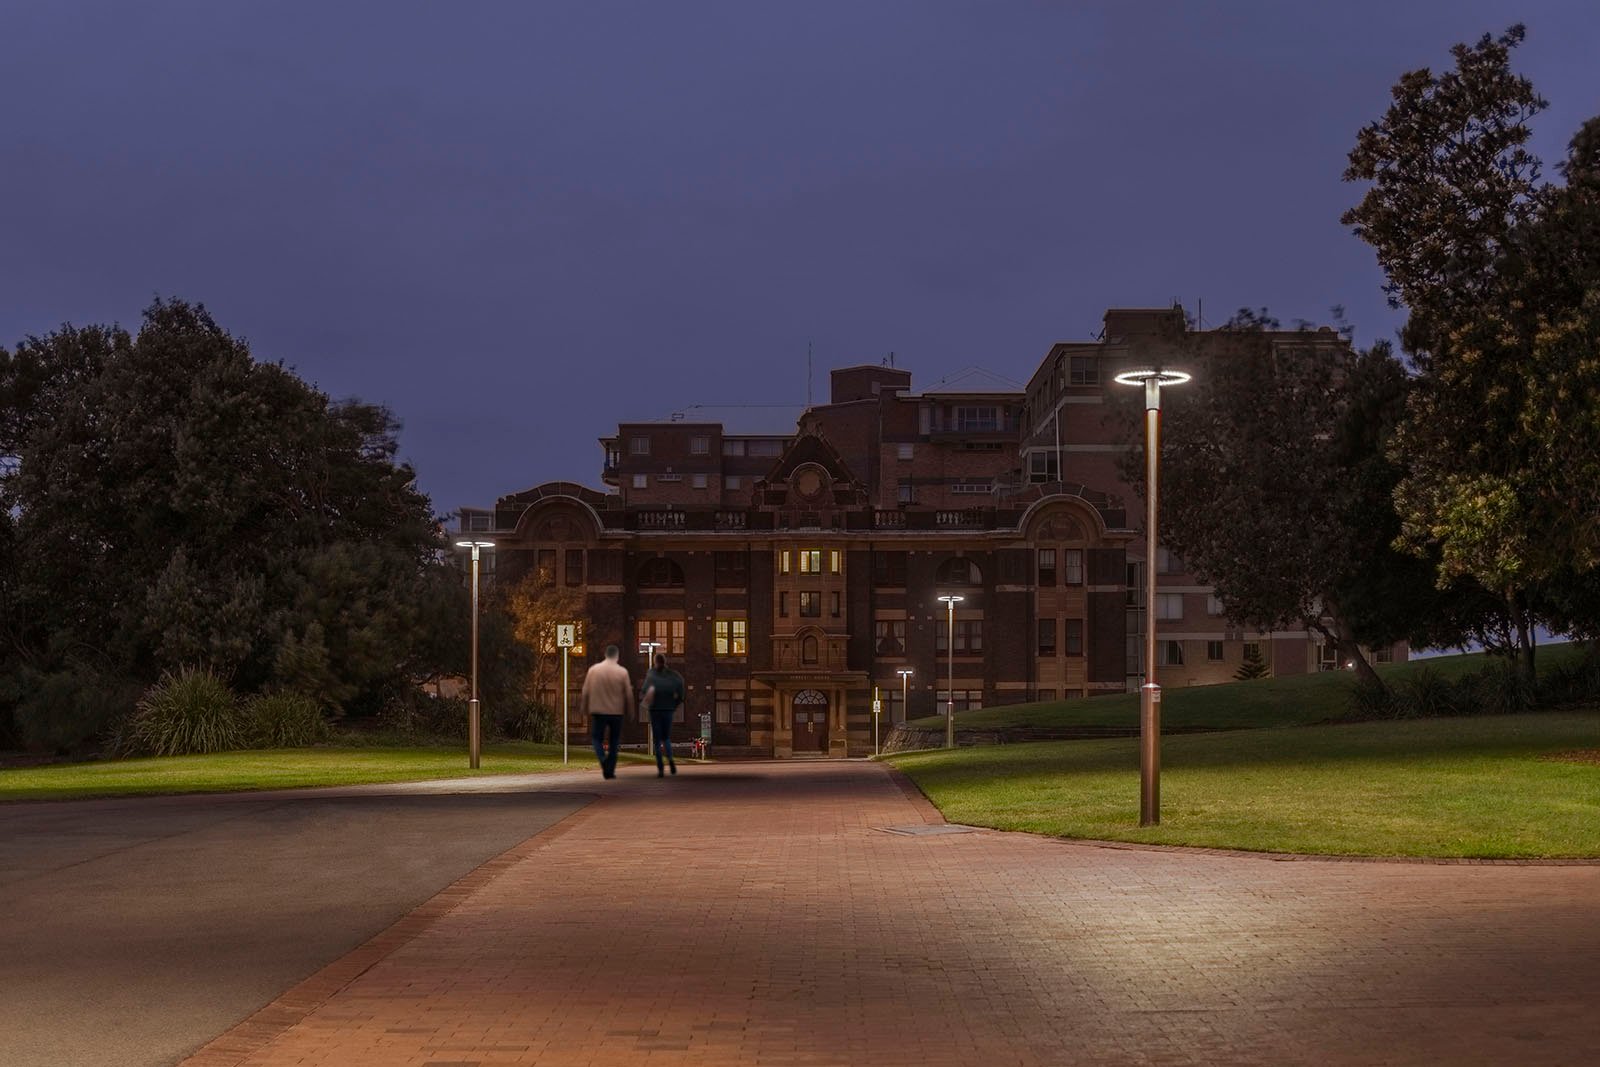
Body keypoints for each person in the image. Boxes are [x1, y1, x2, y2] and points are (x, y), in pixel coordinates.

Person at [579, 644, 635, 778]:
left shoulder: (594, 670)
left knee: (596, 738)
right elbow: (628, 693)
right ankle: (610, 769)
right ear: (617, 657)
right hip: (616, 711)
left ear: (605, 655)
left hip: (598, 711)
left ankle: (604, 761)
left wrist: (583, 707)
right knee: (614, 741)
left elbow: (585, 690)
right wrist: (631, 710)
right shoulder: (622, 672)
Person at [641, 653, 685, 777]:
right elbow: (681, 693)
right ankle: (670, 760)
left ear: (655, 662)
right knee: (666, 738)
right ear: (665, 662)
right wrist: (674, 705)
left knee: (657, 740)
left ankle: (660, 767)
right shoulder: (673, 675)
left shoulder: (652, 674)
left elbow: (644, 690)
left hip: (655, 710)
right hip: (667, 710)